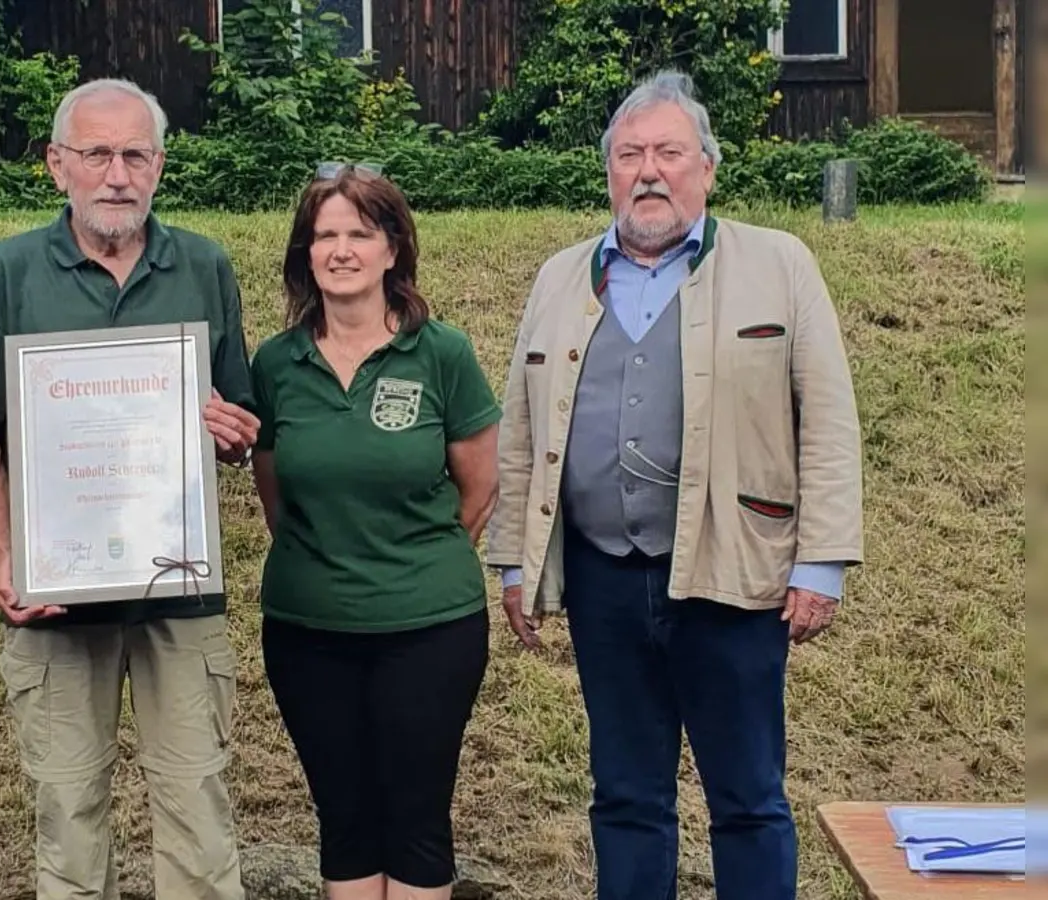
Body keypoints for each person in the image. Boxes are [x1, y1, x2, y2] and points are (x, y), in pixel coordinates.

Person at [483, 69, 865, 900]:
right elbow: (521, 427)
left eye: (668, 152)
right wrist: (514, 559)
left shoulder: (780, 265)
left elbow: (829, 418)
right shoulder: (559, 277)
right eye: (629, 154)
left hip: (735, 577)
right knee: (625, 795)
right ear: (609, 171)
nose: (648, 170)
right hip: (603, 578)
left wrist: (821, 562)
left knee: (749, 798)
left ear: (707, 167)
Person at [0, 78, 258, 900]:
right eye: (96, 154)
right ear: (57, 165)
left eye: (135, 154)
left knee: (198, 814)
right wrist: (5, 553)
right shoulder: (8, 271)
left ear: (159, 165)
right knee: (68, 814)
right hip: (56, 596)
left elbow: (238, 419)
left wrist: (234, 431)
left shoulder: (204, 264)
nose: (117, 174)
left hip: (177, 593)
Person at [246, 164, 502, 900]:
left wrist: (408, 563)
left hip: (429, 627)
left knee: (417, 818)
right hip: (308, 628)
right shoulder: (276, 362)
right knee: (345, 816)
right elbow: (277, 495)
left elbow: (478, 488)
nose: (342, 249)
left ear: (393, 248)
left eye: (361, 232)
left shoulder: (441, 353)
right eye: (325, 235)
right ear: (306, 254)